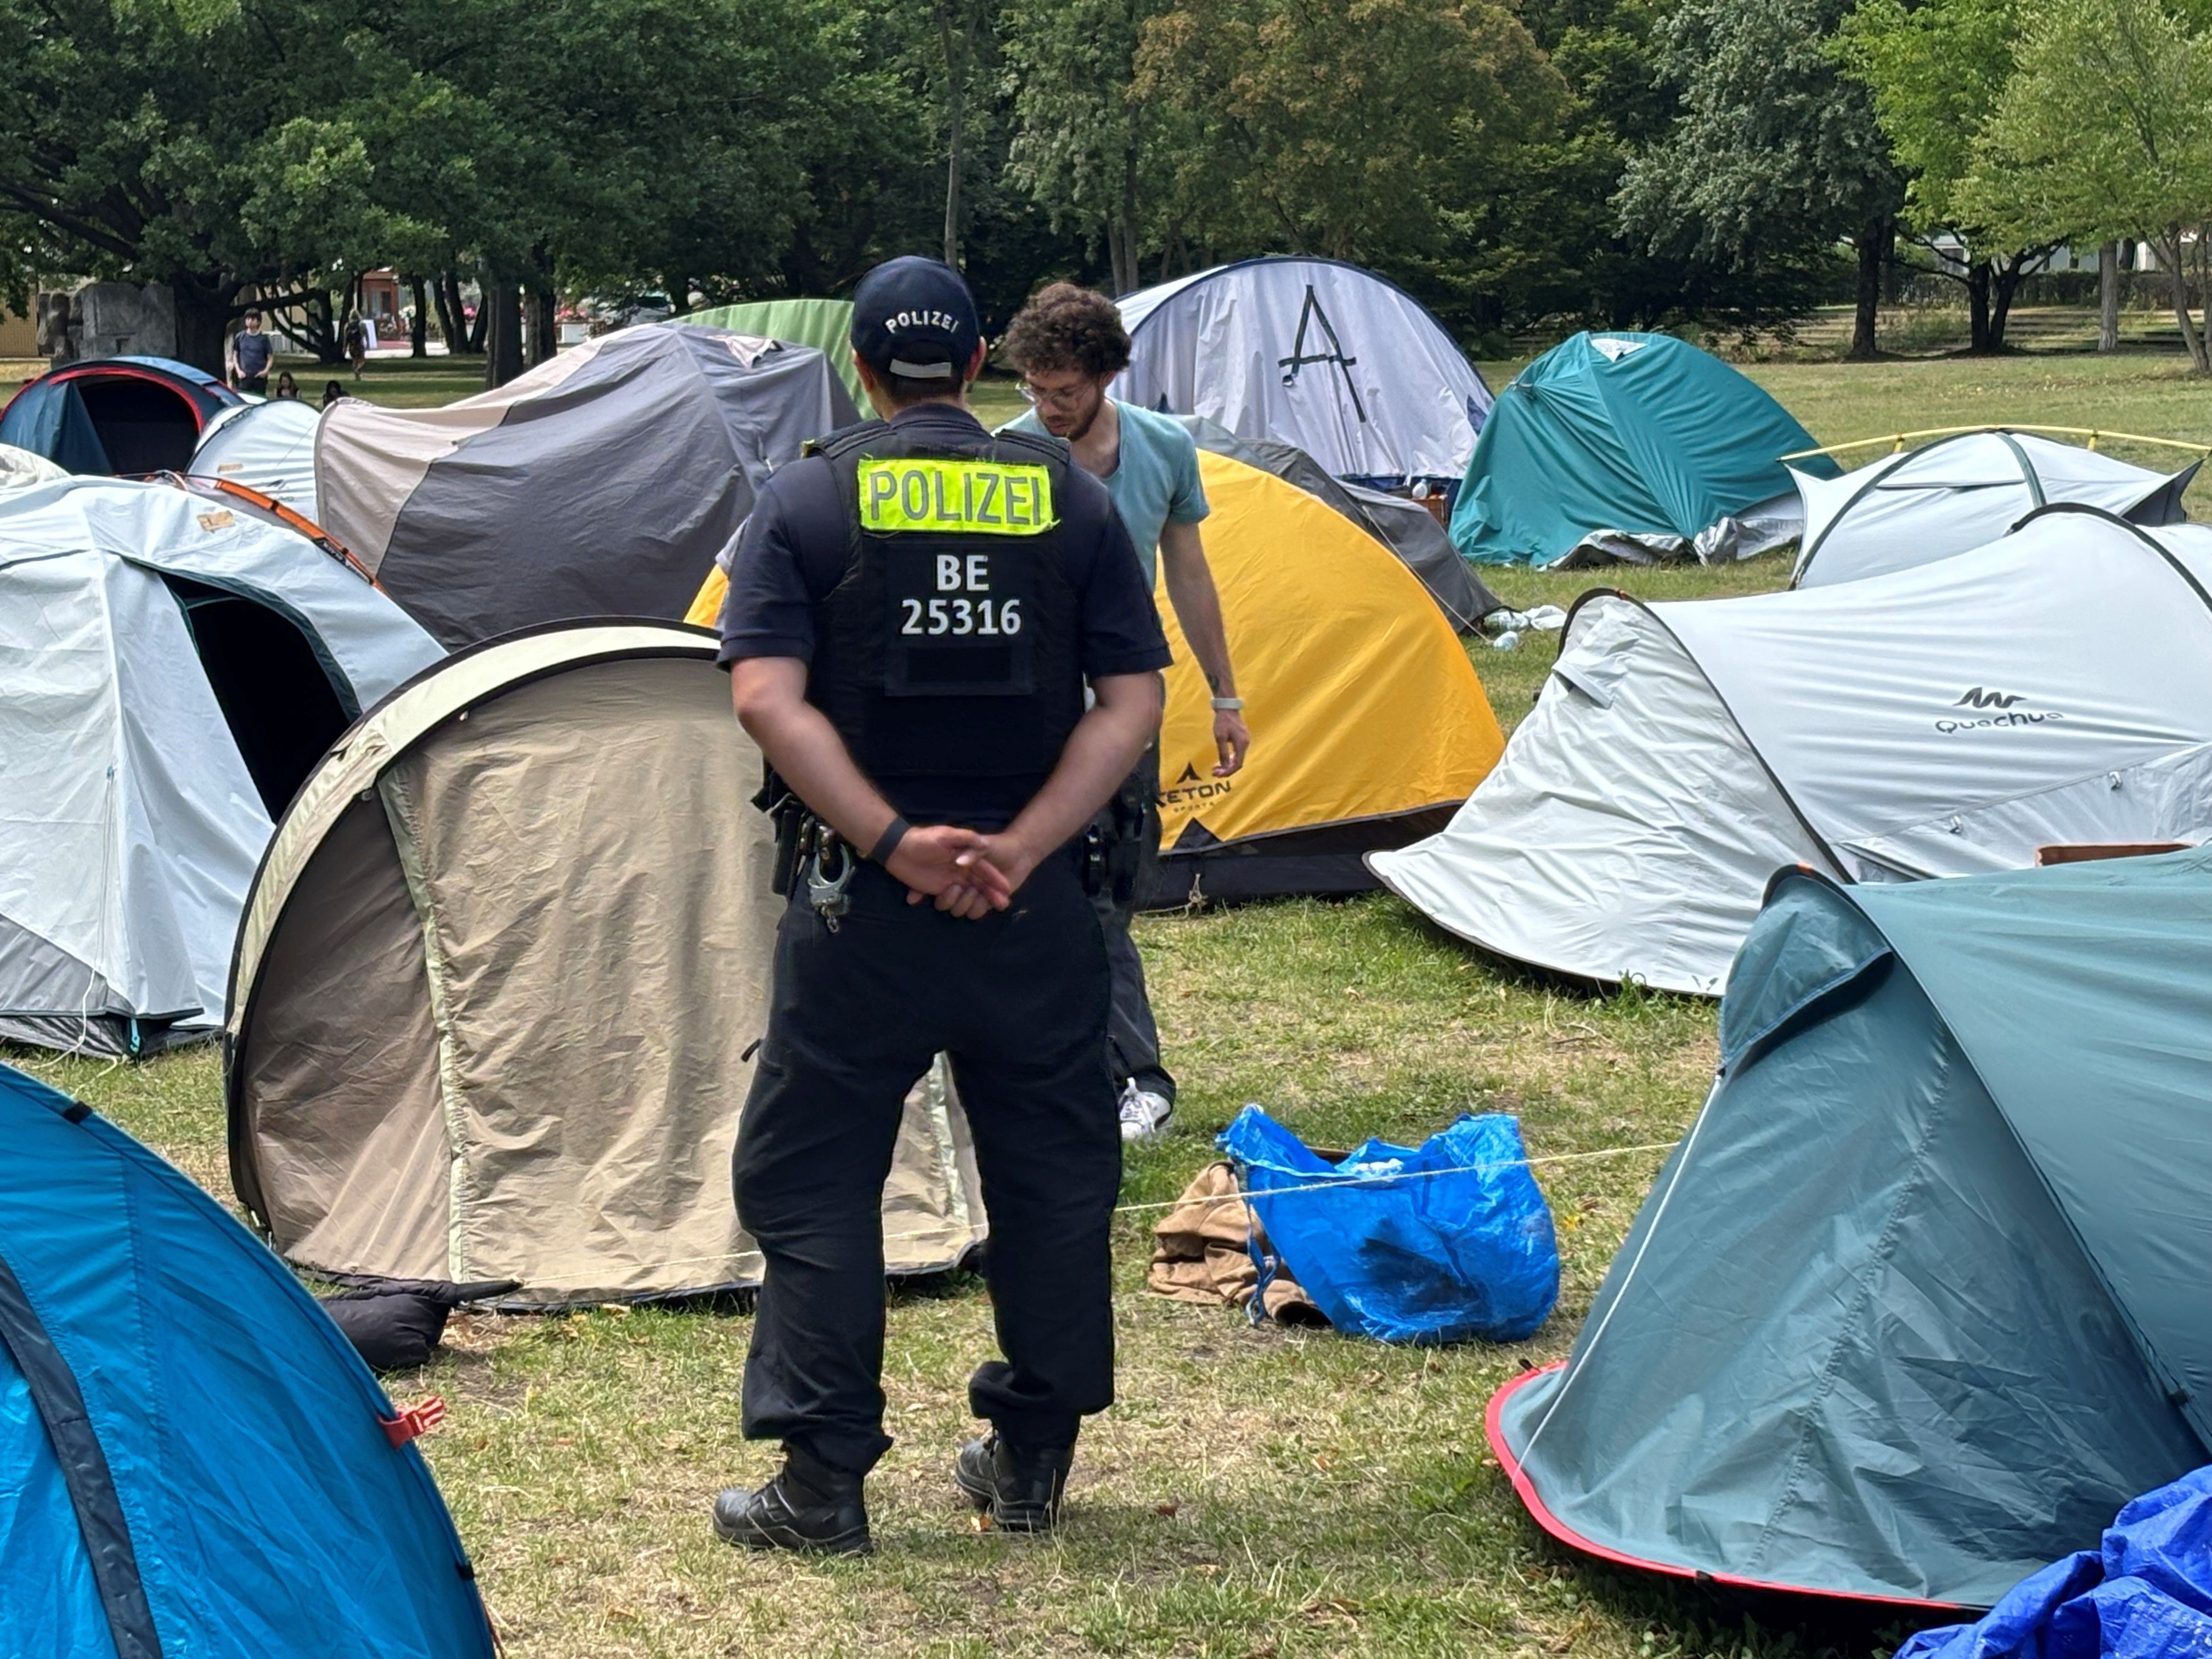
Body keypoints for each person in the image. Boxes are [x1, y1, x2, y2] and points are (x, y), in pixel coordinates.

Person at [709, 257, 1169, 1556]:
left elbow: (764, 698)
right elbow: (1131, 704)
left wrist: (898, 843)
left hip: (866, 913)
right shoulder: (1070, 503)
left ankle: (821, 1487)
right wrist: (1017, 848)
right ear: (977, 371)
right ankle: (1028, 1465)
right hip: (1040, 915)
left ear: (860, 368)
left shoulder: (804, 498)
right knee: (1055, 1180)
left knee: (812, 1179)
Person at [1000, 283, 1250, 1143]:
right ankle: (1037, 1071)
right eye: (1035, 388)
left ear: (1106, 376)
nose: (1047, 406)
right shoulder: (1007, 455)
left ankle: (1136, 1080)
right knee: (1024, 889)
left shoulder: (1164, 449)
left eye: (1064, 390)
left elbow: (1190, 574)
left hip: (1124, 699)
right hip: (1029, 702)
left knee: (1110, 893)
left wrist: (1225, 696)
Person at [228, 308, 274, 394]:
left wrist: (265, 371)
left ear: (259, 322)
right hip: (244, 377)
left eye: (252, 319)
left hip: (259, 377)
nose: (249, 321)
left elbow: (270, 357)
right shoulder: (240, 337)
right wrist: (238, 371)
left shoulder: (264, 339)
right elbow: (235, 355)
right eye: (247, 319)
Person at [343, 315, 368, 380]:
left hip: (352, 346)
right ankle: (358, 370)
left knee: (355, 360)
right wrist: (367, 344)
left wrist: (345, 348)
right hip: (359, 345)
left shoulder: (348, 326)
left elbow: (346, 338)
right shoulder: (361, 325)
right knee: (362, 360)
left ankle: (357, 376)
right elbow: (365, 335)